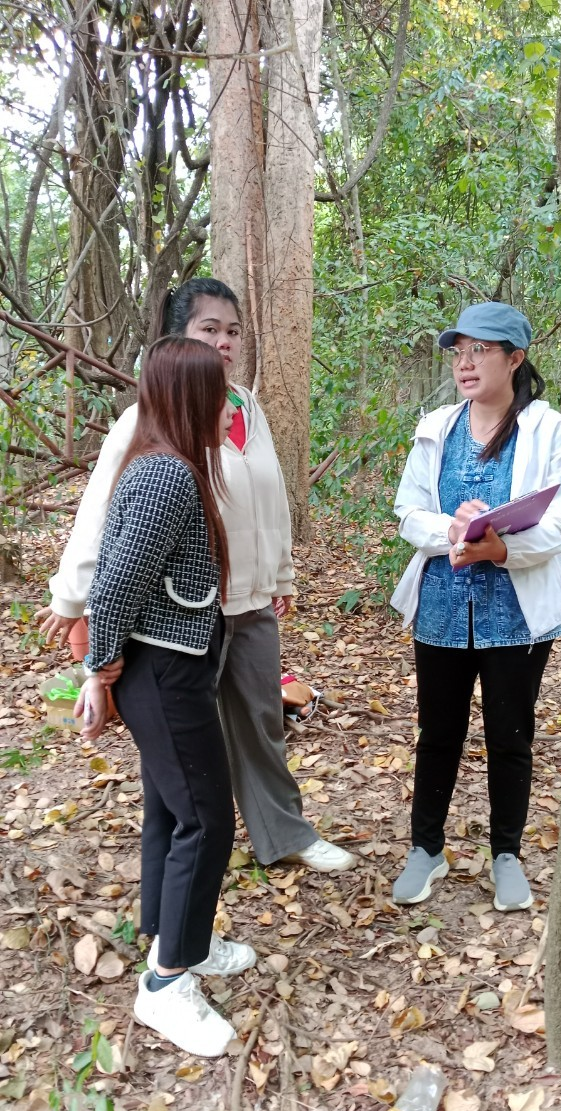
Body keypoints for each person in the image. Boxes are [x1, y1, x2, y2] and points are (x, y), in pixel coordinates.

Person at [39, 277, 355, 874]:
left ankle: (282, 832)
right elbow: (105, 515)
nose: (224, 342)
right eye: (209, 329)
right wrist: (70, 596)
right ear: (178, 336)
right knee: (185, 737)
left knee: (262, 720)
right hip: (184, 611)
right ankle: (186, 856)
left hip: (252, 600)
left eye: (232, 331)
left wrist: (280, 575)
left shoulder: (247, 409)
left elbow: (272, 498)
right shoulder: (146, 418)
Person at [77, 337, 253, 1056]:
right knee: (207, 819)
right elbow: (114, 584)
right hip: (163, 674)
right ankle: (166, 984)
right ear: (193, 400)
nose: (231, 408)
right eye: (222, 394)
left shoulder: (164, 468)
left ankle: (178, 935)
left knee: (170, 808)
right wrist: (99, 669)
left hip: (168, 666)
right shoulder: (166, 478)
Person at [390, 302, 561, 911]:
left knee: (510, 735)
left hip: (516, 613)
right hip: (442, 604)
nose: (464, 363)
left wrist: (500, 547)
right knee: (437, 731)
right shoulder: (436, 427)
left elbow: (559, 524)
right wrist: (452, 530)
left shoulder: (546, 429)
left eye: (480, 351)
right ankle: (426, 848)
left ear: (515, 359)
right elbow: (408, 509)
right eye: (457, 351)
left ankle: (507, 855)